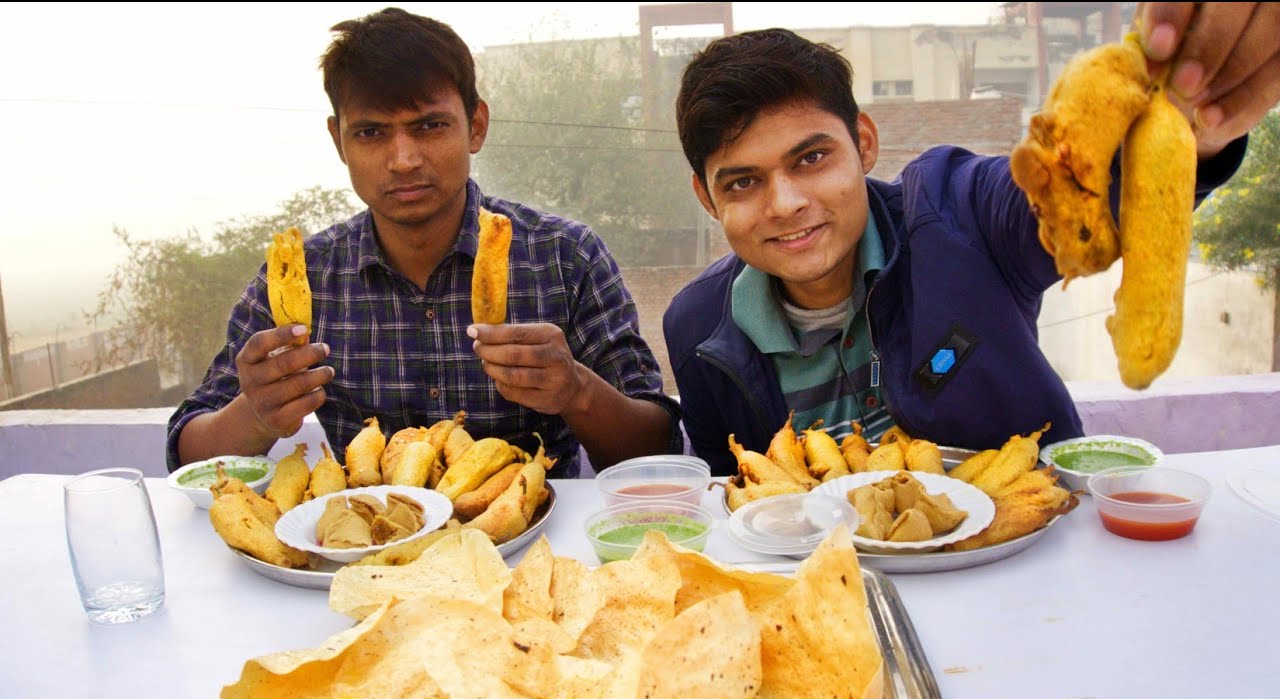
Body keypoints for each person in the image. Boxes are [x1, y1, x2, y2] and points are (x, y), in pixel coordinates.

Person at [664, 3, 1279, 476]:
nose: (786, 204)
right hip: (842, 597)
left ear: (865, 144)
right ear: (706, 198)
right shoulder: (696, 329)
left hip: (1032, 560)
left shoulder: (959, 213)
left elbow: (1079, 195)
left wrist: (1191, 121)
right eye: (743, 181)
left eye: (811, 158)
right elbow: (737, 499)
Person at [168, 7, 680, 478]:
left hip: (527, 546)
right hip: (364, 550)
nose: (404, 159)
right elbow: (187, 454)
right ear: (337, 141)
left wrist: (576, 389)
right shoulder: (304, 278)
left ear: (475, 126)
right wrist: (254, 414)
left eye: (430, 125)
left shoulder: (565, 257)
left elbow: (657, 448)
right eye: (371, 133)